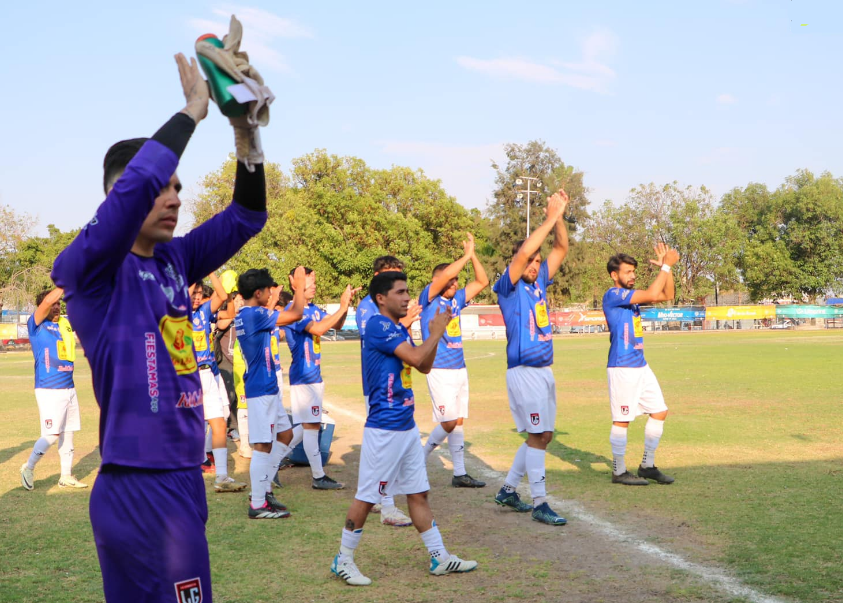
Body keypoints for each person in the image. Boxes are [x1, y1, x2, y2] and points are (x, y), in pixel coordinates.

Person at [51, 52, 269, 601]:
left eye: (178, 187)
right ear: (119, 198)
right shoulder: (90, 270)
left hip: (179, 477)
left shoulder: (174, 260)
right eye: (159, 187)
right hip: (140, 483)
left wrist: (245, 133)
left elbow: (247, 216)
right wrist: (192, 111)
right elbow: (132, 190)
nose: (174, 197)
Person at [331, 271, 477, 586]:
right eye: (400, 292)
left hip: (406, 426)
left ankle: (439, 557)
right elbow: (415, 356)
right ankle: (342, 560)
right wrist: (436, 332)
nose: (407, 297)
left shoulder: (397, 327)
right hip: (384, 429)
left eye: (408, 291)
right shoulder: (378, 324)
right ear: (381, 298)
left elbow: (423, 365)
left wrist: (432, 335)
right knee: (367, 496)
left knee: (418, 494)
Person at [491, 190, 570, 526]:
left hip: (544, 370)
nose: (535, 265)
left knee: (543, 436)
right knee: (538, 436)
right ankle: (540, 502)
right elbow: (525, 251)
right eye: (531, 261)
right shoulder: (508, 287)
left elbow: (562, 248)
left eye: (539, 262)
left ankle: (509, 489)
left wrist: (561, 216)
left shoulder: (540, 284)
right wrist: (549, 216)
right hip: (523, 371)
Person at [602, 243, 679, 486]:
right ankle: (619, 470)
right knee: (622, 419)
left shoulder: (631, 299)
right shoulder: (613, 295)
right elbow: (655, 294)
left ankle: (647, 465)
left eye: (634, 271)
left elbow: (667, 295)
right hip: (622, 366)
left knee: (659, 411)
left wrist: (668, 270)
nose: (633, 276)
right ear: (615, 275)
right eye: (628, 272)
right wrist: (666, 265)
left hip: (640, 365)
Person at [420, 233, 489, 487]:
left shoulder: (456, 299)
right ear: (438, 281)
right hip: (438, 368)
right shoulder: (428, 298)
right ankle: (419, 457)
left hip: (459, 367)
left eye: (457, 280)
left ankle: (459, 474)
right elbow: (446, 277)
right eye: (451, 280)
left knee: (458, 420)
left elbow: (483, 280)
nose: (455, 283)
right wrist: (464, 256)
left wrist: (473, 256)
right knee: (448, 421)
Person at [236, 268, 306, 518]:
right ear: (258, 292)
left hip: (268, 387)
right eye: (268, 290)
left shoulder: (247, 312)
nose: (270, 295)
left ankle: (264, 489)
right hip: (260, 389)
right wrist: (298, 288)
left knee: (285, 435)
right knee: (263, 445)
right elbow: (296, 313)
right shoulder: (254, 314)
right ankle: (257, 503)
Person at [355, 256, 417, 526]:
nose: (403, 295)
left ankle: (387, 502)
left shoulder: (393, 312)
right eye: (397, 286)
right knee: (381, 457)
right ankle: (386, 504)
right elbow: (379, 337)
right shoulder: (369, 310)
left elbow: (412, 352)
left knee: (411, 479)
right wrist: (407, 322)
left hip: (400, 387)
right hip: (380, 387)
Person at [284, 268, 360, 489]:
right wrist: (343, 306)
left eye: (315, 280)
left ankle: (273, 461)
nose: (315, 285)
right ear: (296, 283)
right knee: (311, 426)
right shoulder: (293, 310)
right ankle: (318, 476)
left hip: (313, 377)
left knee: (308, 425)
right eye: (310, 280)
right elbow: (317, 330)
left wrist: (344, 306)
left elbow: (336, 325)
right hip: (304, 377)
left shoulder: (313, 309)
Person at [20, 288, 87, 490]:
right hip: (49, 388)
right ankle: (28, 467)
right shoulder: (37, 325)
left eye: (59, 304)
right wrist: (65, 282)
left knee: (68, 433)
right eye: (54, 304)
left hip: (68, 386)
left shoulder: (64, 325)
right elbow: (48, 300)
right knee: (51, 434)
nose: (57, 307)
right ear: (44, 306)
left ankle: (65, 476)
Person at [192, 274, 246, 492]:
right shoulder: (176, 312)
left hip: (208, 375)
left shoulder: (204, 311)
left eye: (198, 293)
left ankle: (222, 477)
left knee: (220, 423)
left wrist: (211, 271)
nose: (197, 297)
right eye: (193, 293)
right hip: (188, 377)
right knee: (190, 427)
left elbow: (223, 297)